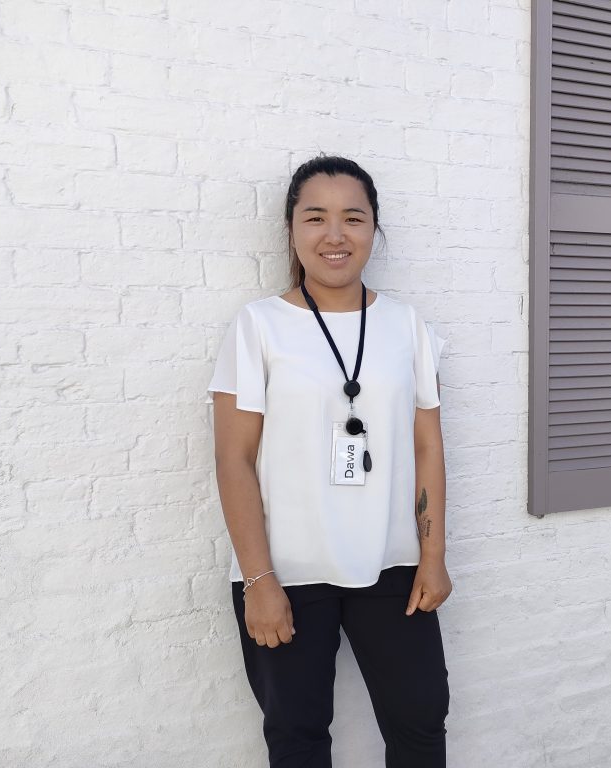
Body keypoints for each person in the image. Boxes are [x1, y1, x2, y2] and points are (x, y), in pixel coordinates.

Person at [207, 155, 451, 768]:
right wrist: (258, 581)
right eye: (315, 217)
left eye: (353, 218)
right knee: (298, 738)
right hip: (286, 571)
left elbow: (427, 446)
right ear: (292, 229)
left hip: (392, 566)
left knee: (421, 723)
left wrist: (434, 556)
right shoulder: (257, 327)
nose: (334, 235)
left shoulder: (407, 326)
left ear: (374, 229)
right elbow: (234, 460)